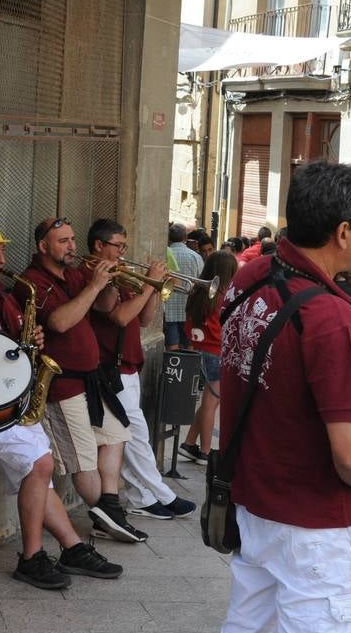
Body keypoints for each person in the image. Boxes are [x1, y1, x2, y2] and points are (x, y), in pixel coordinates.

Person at [205, 162, 351, 633]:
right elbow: (350, 457)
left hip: (254, 500)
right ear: (342, 231)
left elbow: (270, 370)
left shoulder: (252, 274)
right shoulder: (332, 318)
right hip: (313, 520)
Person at [0, 217, 123, 587]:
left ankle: (71, 546)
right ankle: (31, 556)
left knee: (36, 469)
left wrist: (31, 340)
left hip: (11, 398)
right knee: (40, 464)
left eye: (2, 251)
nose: (1, 258)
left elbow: (19, 338)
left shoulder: (4, 295)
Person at [15, 217, 144, 543]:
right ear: (43, 247)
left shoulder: (73, 273)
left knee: (115, 432)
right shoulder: (32, 281)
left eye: (73, 239)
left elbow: (103, 306)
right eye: (63, 241)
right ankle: (107, 514)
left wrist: (110, 281)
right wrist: (94, 285)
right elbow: (59, 322)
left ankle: (109, 508)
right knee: (82, 458)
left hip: (92, 378)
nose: (72, 246)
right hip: (63, 383)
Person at [85, 218, 196, 521]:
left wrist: (157, 289)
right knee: (135, 434)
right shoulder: (95, 276)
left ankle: (143, 497)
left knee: (135, 435)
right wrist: (148, 283)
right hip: (111, 367)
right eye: (118, 246)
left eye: (124, 247)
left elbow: (142, 320)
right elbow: (119, 317)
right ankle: (160, 494)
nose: (123, 252)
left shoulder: (120, 275)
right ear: (99, 245)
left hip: (129, 364)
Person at [179, 251, 240, 465]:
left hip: (202, 349)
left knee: (208, 401)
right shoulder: (223, 296)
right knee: (210, 403)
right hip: (216, 351)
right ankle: (206, 451)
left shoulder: (199, 292)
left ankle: (189, 443)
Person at [165, 222, 203, 350]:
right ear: (185, 238)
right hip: (188, 307)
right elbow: (200, 281)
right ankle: (188, 370)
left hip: (168, 308)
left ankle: (172, 368)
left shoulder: (164, 253)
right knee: (189, 346)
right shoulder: (195, 256)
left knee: (172, 346)